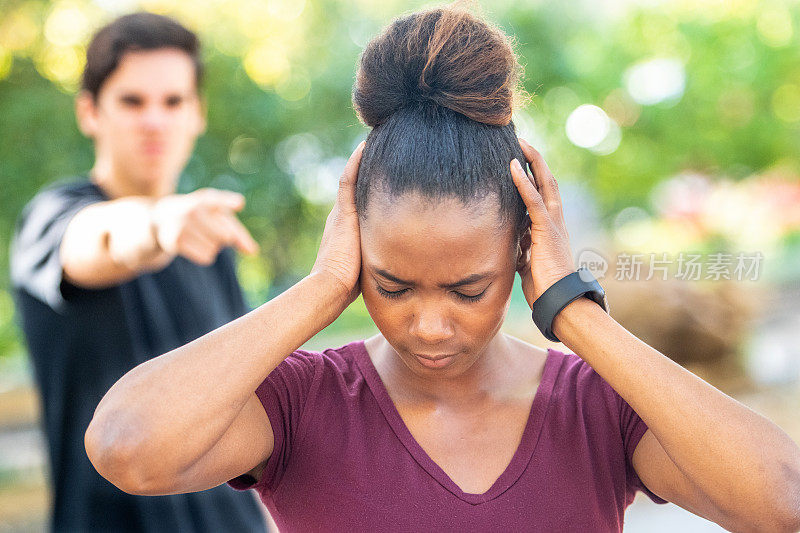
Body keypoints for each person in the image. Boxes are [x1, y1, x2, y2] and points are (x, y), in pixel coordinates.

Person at [84, 5, 800, 532]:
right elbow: (127, 446)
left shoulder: (596, 409)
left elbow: (782, 501)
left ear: (522, 251)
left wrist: (577, 313)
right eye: (392, 284)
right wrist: (321, 289)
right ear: (359, 248)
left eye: (467, 287)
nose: (428, 324)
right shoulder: (306, 403)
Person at [10, 12, 269, 533]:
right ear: (90, 112)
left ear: (197, 113)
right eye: (132, 101)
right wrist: (157, 224)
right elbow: (97, 239)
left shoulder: (213, 247)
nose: (155, 120)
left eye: (173, 101)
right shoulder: (53, 216)